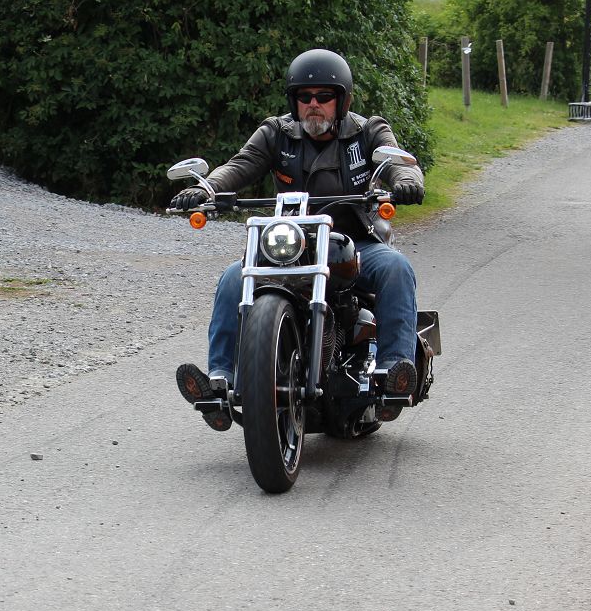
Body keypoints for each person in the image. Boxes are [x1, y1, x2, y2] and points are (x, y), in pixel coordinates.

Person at [171, 48, 426, 430]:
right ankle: (221, 380)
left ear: (342, 100)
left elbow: (401, 164)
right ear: (294, 102)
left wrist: (406, 182)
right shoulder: (276, 133)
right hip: (291, 246)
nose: (313, 104)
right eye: (305, 97)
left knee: (396, 267)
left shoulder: (367, 131)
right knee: (233, 278)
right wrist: (206, 190)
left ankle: (393, 373)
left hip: (355, 243)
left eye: (324, 96)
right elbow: (240, 165)